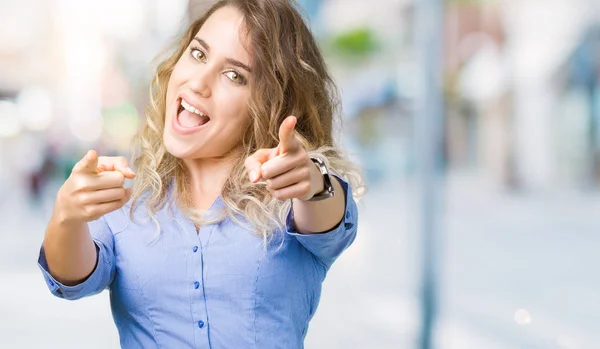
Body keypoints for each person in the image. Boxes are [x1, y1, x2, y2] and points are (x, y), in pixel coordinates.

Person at [38, 0, 363, 347]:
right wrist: (66, 215)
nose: (199, 83)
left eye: (235, 75)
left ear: (270, 103)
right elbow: (70, 280)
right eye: (198, 54)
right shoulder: (128, 196)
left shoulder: (290, 192)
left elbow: (326, 216)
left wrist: (310, 182)